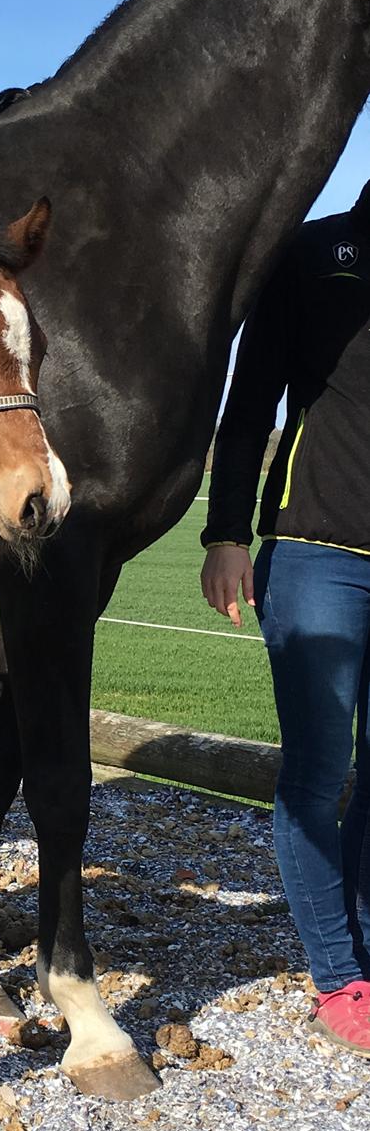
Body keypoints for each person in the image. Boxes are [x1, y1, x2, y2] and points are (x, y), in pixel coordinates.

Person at [201, 181, 370, 1057]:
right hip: (317, 555)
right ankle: (341, 978)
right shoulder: (313, 254)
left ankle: (364, 951)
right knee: (314, 773)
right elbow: (251, 397)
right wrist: (228, 530)